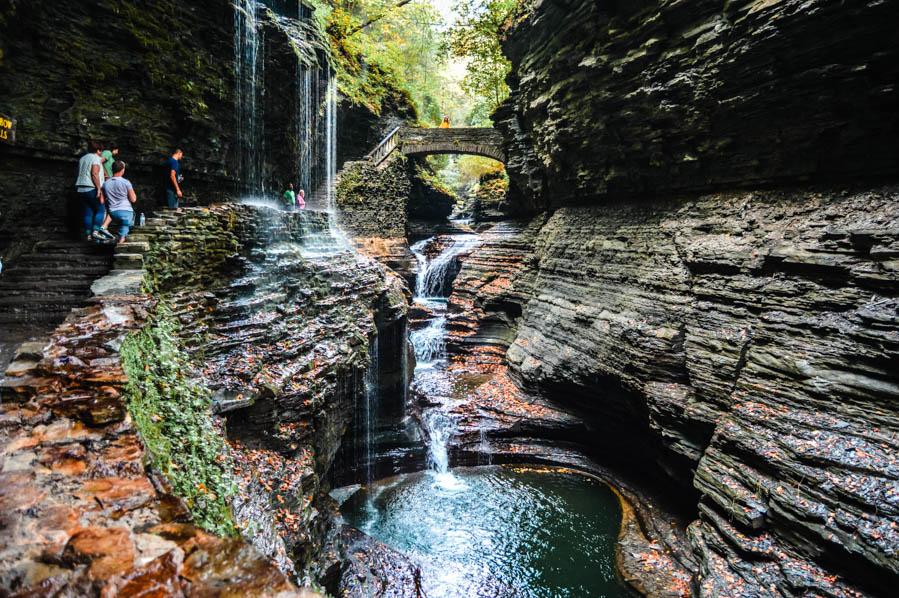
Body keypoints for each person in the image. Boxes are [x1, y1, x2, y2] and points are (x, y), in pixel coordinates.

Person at [75, 140, 112, 242]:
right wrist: (99, 189)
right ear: (98, 150)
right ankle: (96, 232)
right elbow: (94, 174)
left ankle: (88, 235)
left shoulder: (82, 158)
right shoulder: (96, 158)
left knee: (88, 212)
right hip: (91, 187)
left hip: (80, 188)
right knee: (101, 209)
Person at [101, 160, 137, 243]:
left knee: (122, 225)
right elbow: (133, 199)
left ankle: (109, 233)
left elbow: (103, 200)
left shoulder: (105, 183)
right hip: (125, 212)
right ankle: (122, 241)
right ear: (122, 170)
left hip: (113, 213)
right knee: (126, 224)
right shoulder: (126, 182)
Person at [165, 148, 183, 212]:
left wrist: (178, 179)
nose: (181, 157)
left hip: (167, 187)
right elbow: (172, 175)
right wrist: (178, 190)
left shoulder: (168, 161)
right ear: (179, 153)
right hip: (172, 189)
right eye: (181, 155)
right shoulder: (174, 162)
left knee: (169, 210)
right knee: (172, 211)